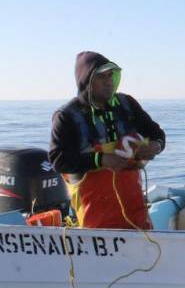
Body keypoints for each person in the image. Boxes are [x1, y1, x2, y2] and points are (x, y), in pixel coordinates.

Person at [49, 51, 165, 229]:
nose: (109, 81)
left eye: (111, 75)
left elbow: (157, 133)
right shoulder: (66, 116)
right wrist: (100, 159)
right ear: (86, 81)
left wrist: (155, 146)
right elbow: (58, 160)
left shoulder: (127, 104)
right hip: (94, 217)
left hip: (134, 208)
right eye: (101, 77)